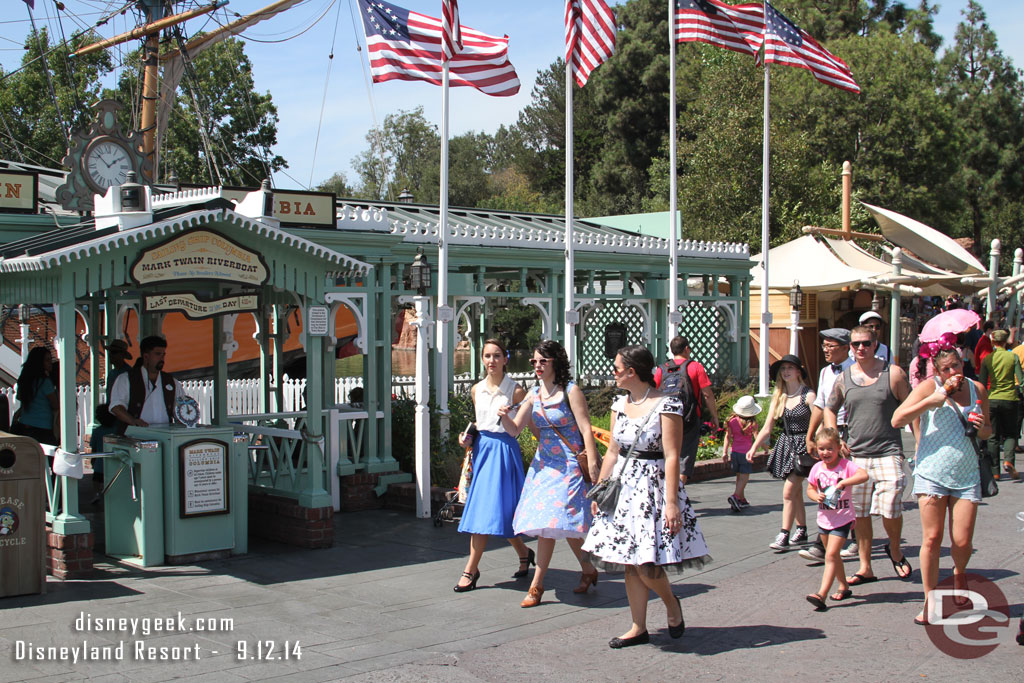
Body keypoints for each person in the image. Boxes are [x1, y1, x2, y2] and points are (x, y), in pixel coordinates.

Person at [582, 346, 710, 648]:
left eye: (616, 367)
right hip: (624, 489)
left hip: (652, 487)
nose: (612, 372)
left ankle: (671, 604)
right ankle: (638, 626)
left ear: (632, 371)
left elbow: (672, 455)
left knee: (646, 563)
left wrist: (671, 502)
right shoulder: (619, 404)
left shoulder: (667, 405)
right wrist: (600, 490)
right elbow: (613, 451)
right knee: (629, 561)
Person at [891, 346, 990, 625]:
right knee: (932, 539)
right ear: (936, 370)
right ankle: (930, 601)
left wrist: (981, 426)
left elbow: (988, 431)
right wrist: (931, 401)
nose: (952, 373)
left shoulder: (977, 389)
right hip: (932, 471)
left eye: (956, 367)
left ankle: (959, 572)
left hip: (966, 472)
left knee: (962, 540)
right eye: (945, 369)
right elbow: (897, 419)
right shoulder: (928, 387)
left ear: (963, 364)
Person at [499, 339, 601, 608]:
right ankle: (588, 569)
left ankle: (537, 585)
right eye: (534, 362)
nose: (537, 366)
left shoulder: (570, 390)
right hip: (543, 466)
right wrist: (503, 416)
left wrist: (592, 463)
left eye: (542, 361)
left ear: (556, 361)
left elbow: (586, 428)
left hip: (568, 466)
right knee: (559, 524)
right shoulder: (533, 394)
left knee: (553, 522)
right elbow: (515, 430)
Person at [825, 324, 912, 586]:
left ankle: (894, 549)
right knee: (860, 512)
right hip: (858, 454)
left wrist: (919, 445)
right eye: (855, 344)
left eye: (865, 343)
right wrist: (836, 437)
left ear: (876, 345)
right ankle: (865, 567)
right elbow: (830, 408)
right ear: (850, 348)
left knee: (891, 504)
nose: (860, 348)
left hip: (889, 451)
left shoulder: (893, 374)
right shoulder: (844, 378)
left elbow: (911, 407)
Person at [453, 339, 534, 592]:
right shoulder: (477, 389)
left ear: (506, 358)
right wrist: (465, 438)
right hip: (482, 451)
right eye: (487, 356)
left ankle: (470, 569)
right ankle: (524, 553)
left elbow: (521, 428)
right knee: (494, 510)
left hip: (503, 452)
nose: (491, 361)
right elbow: (479, 424)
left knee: (493, 510)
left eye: (497, 355)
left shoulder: (516, 390)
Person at [800, 328, 857, 564]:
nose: (826, 349)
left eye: (831, 346)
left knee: (848, 488)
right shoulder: (825, 372)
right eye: (824, 345)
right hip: (831, 433)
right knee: (827, 483)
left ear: (845, 347)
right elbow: (820, 405)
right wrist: (810, 434)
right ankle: (823, 541)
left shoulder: (855, 370)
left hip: (850, 431)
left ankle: (852, 537)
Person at [748, 354, 816, 551]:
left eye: (790, 368)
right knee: (795, 493)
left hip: (804, 446)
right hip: (787, 445)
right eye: (783, 369)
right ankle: (801, 529)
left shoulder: (808, 395)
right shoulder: (780, 396)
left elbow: (818, 422)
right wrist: (754, 447)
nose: (786, 372)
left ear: (798, 372)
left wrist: (819, 445)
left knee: (788, 491)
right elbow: (768, 427)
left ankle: (784, 533)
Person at [804, 427, 868, 611]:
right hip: (824, 519)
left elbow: (863, 475)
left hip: (843, 518)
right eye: (821, 449)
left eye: (830, 449)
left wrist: (844, 482)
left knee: (831, 555)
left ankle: (821, 594)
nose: (825, 453)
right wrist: (815, 496)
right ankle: (844, 586)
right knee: (833, 556)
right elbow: (810, 488)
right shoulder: (817, 468)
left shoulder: (845, 465)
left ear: (839, 447)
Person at [653, 335, 719, 484]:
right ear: (687, 349)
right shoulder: (695, 367)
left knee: (666, 456)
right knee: (684, 460)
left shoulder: (661, 369)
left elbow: (654, 393)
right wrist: (714, 416)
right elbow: (707, 394)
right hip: (690, 417)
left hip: (666, 418)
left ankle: (667, 495)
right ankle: (678, 497)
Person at [109, 335, 185, 429]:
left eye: (163, 354)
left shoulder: (172, 382)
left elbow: (182, 408)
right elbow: (116, 407)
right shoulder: (125, 379)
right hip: (136, 437)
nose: (162, 359)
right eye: (157, 354)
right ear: (146, 356)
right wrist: (132, 421)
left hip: (166, 437)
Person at [977, 329, 1023, 480]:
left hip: (992, 398)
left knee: (992, 435)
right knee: (1011, 433)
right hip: (1010, 399)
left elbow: (982, 383)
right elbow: (1020, 380)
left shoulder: (988, 359)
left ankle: (995, 470)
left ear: (992, 342)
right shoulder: (1012, 357)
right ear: (1006, 341)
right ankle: (1009, 460)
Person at [10, 347, 59, 445]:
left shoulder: (25, 381)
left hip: (24, 424)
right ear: (39, 362)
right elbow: (55, 405)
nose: (50, 363)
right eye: (47, 360)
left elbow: (20, 398)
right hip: (42, 428)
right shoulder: (45, 382)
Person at [722, 395, 760, 511]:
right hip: (746, 453)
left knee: (739, 476)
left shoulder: (732, 421)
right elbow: (757, 437)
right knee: (744, 477)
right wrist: (764, 447)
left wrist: (725, 452)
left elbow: (727, 437)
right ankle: (736, 496)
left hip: (735, 453)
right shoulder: (752, 423)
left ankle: (741, 499)